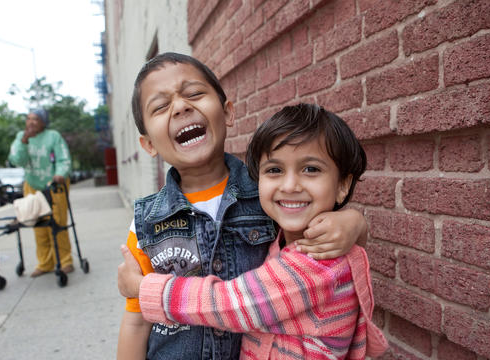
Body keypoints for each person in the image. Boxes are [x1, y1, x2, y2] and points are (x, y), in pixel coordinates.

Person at [116, 53, 369, 360]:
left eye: (194, 93)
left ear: (227, 113)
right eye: (160, 106)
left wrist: (354, 221)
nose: (181, 106)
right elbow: (136, 321)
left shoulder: (268, 197)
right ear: (149, 145)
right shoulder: (147, 222)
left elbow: (318, 235)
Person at [8, 109, 73, 277]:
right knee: (37, 224)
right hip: (32, 185)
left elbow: (63, 159)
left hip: (53, 185)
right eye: (28, 119)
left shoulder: (53, 136)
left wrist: (60, 173)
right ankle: (45, 263)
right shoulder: (22, 137)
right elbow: (17, 160)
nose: (30, 122)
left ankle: (65, 261)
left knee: (57, 223)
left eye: (35, 119)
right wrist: (23, 142)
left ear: (43, 122)